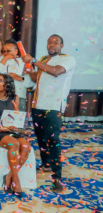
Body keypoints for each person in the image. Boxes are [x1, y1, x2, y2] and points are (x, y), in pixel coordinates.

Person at [22, 34, 76, 193]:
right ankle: (46, 164)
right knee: (40, 137)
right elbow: (37, 77)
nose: (52, 45)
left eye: (55, 42)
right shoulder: (44, 59)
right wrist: (27, 69)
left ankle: (57, 177)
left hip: (54, 105)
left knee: (53, 139)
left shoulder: (68, 59)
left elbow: (55, 72)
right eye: (49, 42)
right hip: (37, 104)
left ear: (62, 45)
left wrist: (33, 61)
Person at [0, 73, 31, 199]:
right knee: (14, 144)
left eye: (0, 81)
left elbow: (16, 118)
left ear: (7, 84)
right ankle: (16, 181)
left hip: (9, 129)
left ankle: (9, 176)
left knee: (26, 146)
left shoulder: (15, 98)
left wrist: (18, 127)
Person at [0, 39, 35, 111]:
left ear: (16, 51)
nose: (6, 53)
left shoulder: (24, 62)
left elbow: (32, 82)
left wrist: (20, 78)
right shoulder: (1, 61)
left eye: (9, 51)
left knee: (16, 120)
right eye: (4, 51)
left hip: (19, 96)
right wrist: (5, 58)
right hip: (1, 97)